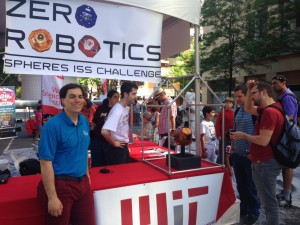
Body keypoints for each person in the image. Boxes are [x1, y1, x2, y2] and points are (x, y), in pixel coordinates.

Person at [37, 83, 95, 225]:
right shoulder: (52, 126)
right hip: (60, 185)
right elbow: (45, 163)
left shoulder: (83, 121)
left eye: (80, 97)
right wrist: (52, 197)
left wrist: (87, 176)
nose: (77, 100)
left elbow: (83, 151)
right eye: (72, 97)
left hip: (82, 185)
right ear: (62, 100)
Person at [230, 80, 284, 225]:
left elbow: (263, 140)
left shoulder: (270, 112)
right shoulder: (265, 109)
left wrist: (243, 135)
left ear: (264, 92)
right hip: (258, 160)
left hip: (266, 162)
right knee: (264, 198)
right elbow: (248, 108)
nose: (251, 97)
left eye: (253, 93)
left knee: (268, 201)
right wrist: (249, 89)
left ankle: (267, 220)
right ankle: (262, 218)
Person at [229, 84, 260, 225]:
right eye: (236, 97)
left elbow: (260, 134)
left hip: (250, 156)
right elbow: (236, 130)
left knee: (251, 186)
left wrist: (254, 153)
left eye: (240, 96)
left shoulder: (256, 112)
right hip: (238, 154)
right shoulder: (237, 111)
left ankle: (254, 212)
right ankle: (245, 208)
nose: (237, 99)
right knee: (241, 185)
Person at [271, 75, 298, 207]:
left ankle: (287, 196)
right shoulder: (283, 97)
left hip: (288, 137)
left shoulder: (287, 97)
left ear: (284, 83)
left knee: (287, 165)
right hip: (286, 136)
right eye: (272, 83)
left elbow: (290, 119)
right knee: (284, 165)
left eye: (275, 83)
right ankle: (285, 193)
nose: (273, 86)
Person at [101, 82, 138, 165]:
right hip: (116, 149)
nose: (135, 97)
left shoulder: (124, 108)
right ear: (125, 94)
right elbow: (104, 131)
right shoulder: (117, 110)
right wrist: (114, 143)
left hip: (121, 147)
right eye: (133, 94)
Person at [90, 90, 119, 167]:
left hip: (110, 141)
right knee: (97, 163)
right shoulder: (101, 108)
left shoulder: (118, 110)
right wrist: (91, 133)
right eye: (115, 97)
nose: (117, 100)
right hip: (98, 140)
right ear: (109, 98)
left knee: (108, 164)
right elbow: (94, 122)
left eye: (118, 98)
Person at [215, 97, 234, 165]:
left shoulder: (234, 112)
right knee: (222, 153)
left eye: (230, 103)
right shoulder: (221, 112)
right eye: (227, 102)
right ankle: (220, 166)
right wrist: (218, 135)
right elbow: (217, 124)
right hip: (223, 137)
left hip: (232, 137)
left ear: (232, 104)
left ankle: (230, 166)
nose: (228, 104)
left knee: (230, 152)